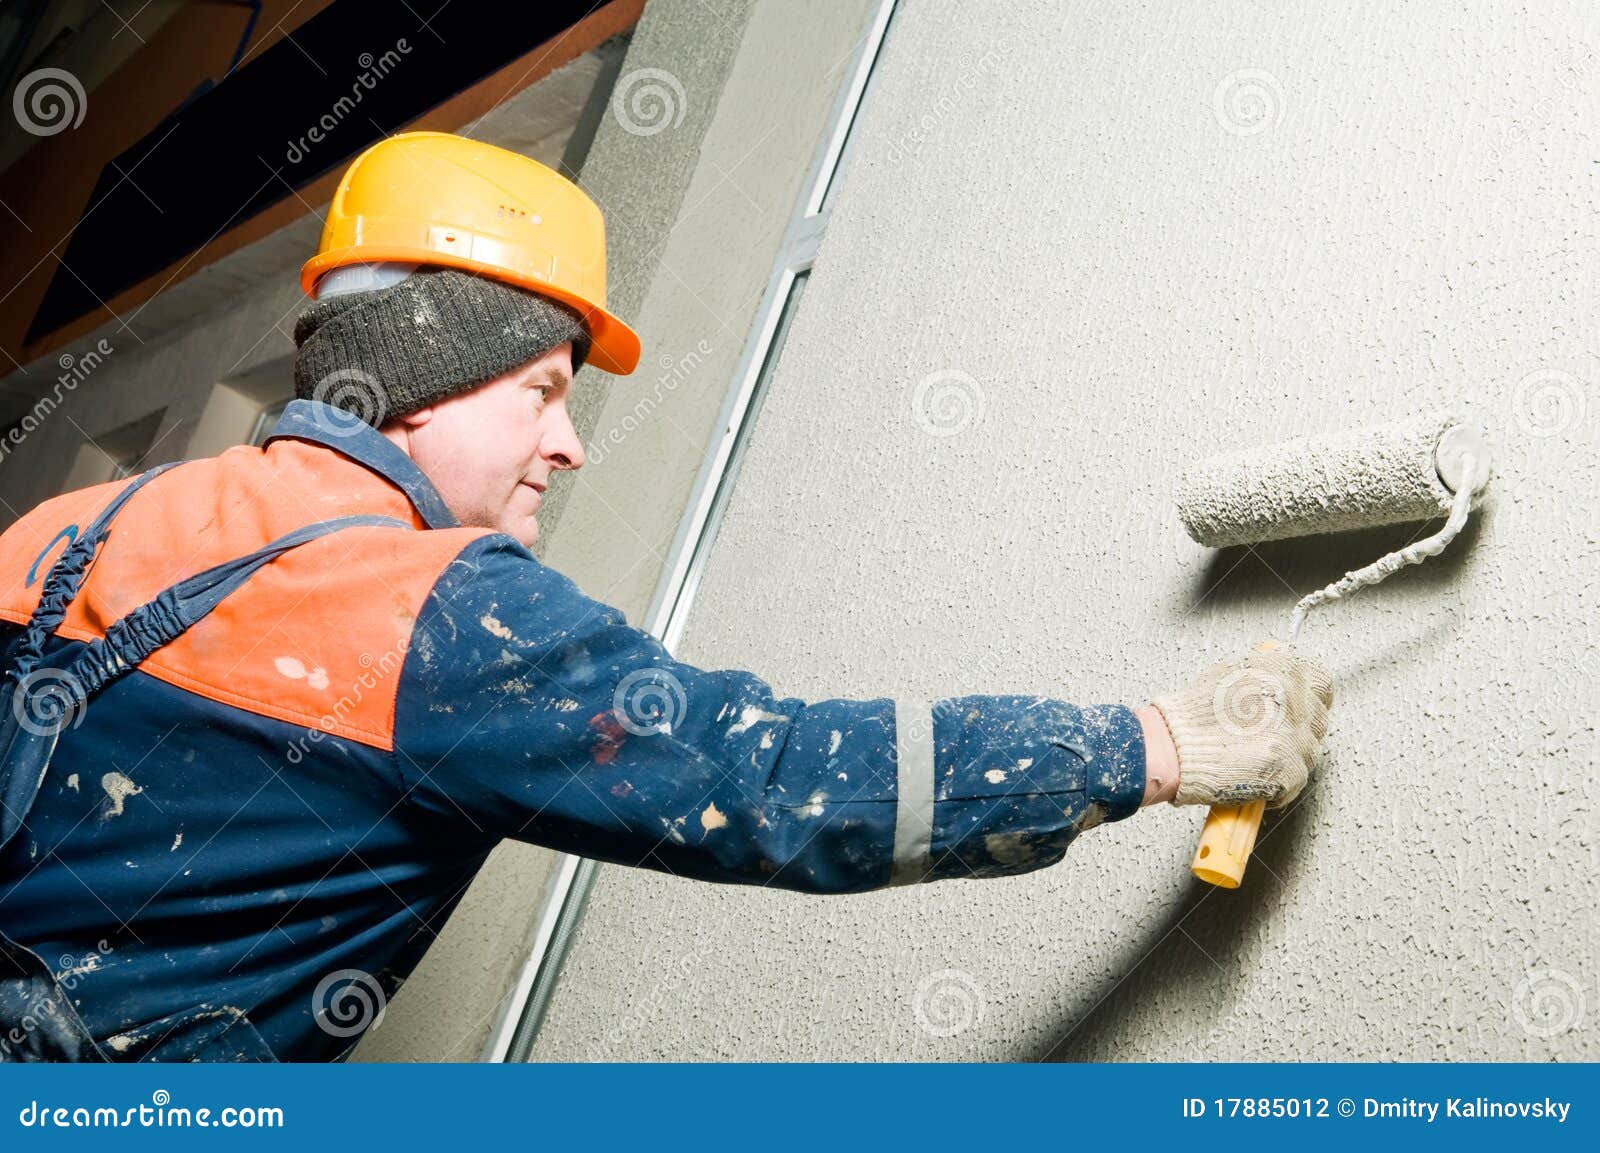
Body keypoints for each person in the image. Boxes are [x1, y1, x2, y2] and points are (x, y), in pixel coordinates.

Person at [0, 132, 1331, 1062]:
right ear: (424, 366)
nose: (571, 444)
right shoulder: (436, 612)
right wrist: (1154, 745)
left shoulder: (64, 527)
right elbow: (780, 780)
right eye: (544, 388)